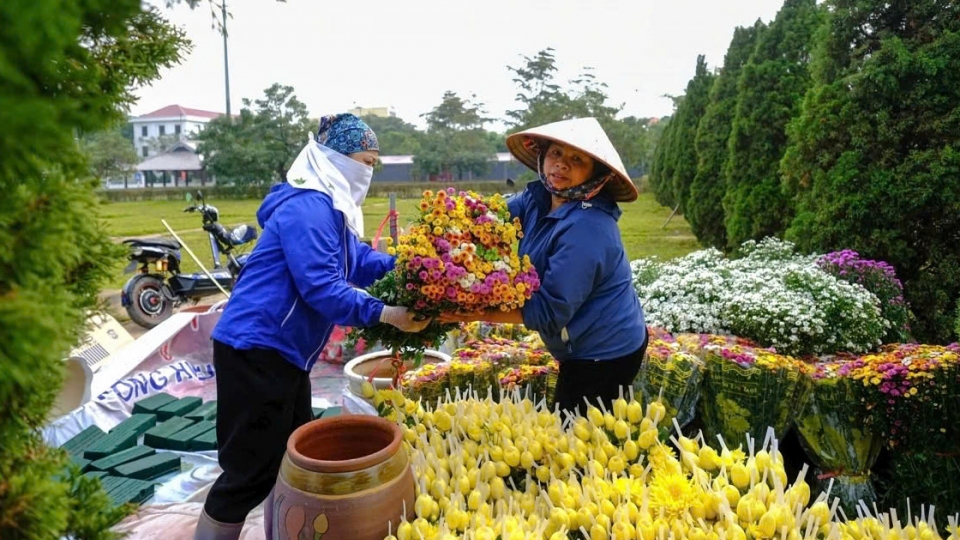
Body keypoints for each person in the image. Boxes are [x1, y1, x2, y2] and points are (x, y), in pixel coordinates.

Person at [194, 114, 429, 540]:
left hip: (282, 354)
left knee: (290, 458)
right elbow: (322, 287)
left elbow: (357, 262)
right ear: (333, 157)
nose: (368, 172)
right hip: (256, 349)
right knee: (249, 471)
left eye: (374, 164)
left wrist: (413, 266)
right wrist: (387, 313)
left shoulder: (332, 208)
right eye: (364, 161)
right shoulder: (309, 207)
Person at [440, 117, 648, 419]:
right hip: (577, 340)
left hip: (604, 352)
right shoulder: (537, 199)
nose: (561, 165)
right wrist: (444, 227)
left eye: (577, 159)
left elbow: (549, 312)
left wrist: (471, 312)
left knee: (575, 437)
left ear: (595, 174)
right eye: (556, 154)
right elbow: (490, 216)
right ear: (542, 157)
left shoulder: (588, 229)